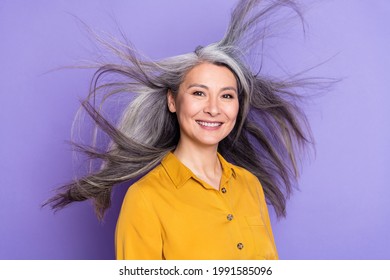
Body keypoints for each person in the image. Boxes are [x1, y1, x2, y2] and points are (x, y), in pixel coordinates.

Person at [46, 0, 312, 260]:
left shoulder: (249, 184)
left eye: (227, 96)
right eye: (199, 93)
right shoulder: (145, 199)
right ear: (172, 100)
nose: (213, 108)